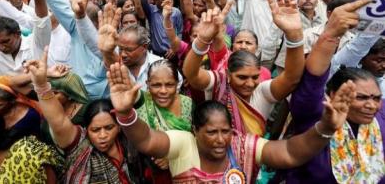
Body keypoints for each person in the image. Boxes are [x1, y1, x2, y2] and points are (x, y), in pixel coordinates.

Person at [106, 61, 356, 184]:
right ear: (195, 130)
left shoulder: (243, 145)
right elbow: (147, 140)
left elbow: (290, 152)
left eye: (225, 131)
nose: (220, 139)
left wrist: (325, 128)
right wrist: (126, 113)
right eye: (211, 132)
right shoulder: (183, 144)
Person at [278, 0, 385, 183]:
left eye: (376, 98)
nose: (371, 104)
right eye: (360, 97)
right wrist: (331, 33)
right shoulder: (316, 115)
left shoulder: (380, 118)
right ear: (333, 95)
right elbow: (313, 78)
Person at [184, 0, 304, 137]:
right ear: (227, 75)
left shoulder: (262, 92)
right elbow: (191, 74)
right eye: (241, 77)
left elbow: (292, 78)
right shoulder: (218, 82)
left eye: (255, 77)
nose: (249, 83)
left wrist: (294, 36)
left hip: (251, 156)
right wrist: (202, 40)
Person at [24, 49, 145, 184]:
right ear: (86, 129)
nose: (103, 135)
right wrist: (41, 86)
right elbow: (59, 122)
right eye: (95, 130)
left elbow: (138, 103)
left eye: (109, 127)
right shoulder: (81, 147)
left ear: (119, 127)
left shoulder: (133, 143)